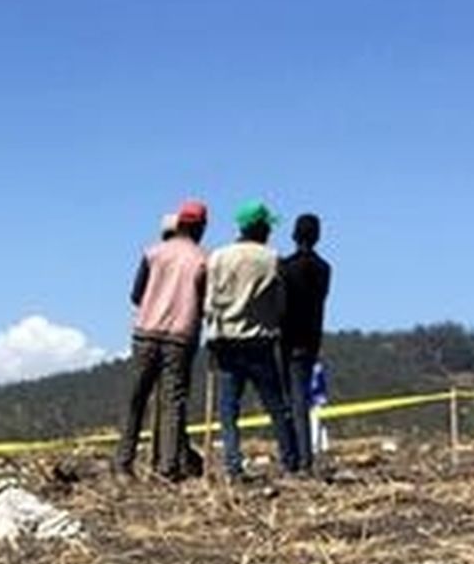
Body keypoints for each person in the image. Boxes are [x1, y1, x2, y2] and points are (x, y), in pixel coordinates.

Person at [115, 199, 209, 481]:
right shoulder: (204, 259)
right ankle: (168, 469)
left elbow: (136, 295)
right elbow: (205, 301)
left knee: (136, 399)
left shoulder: (153, 253)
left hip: (146, 332)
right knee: (173, 402)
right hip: (180, 337)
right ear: (201, 228)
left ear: (179, 224)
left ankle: (123, 464)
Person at [205, 200, 297, 480]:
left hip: (225, 340)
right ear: (261, 227)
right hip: (259, 341)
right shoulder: (272, 259)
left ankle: (233, 465)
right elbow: (282, 305)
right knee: (277, 407)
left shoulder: (218, 256)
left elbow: (209, 301)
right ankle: (290, 461)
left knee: (228, 409)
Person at [280, 213, 332, 472]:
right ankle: (300, 455)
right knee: (300, 397)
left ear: (294, 235)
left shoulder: (286, 267)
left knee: (293, 399)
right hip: (311, 339)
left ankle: (299, 458)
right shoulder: (324, 269)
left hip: (288, 339)